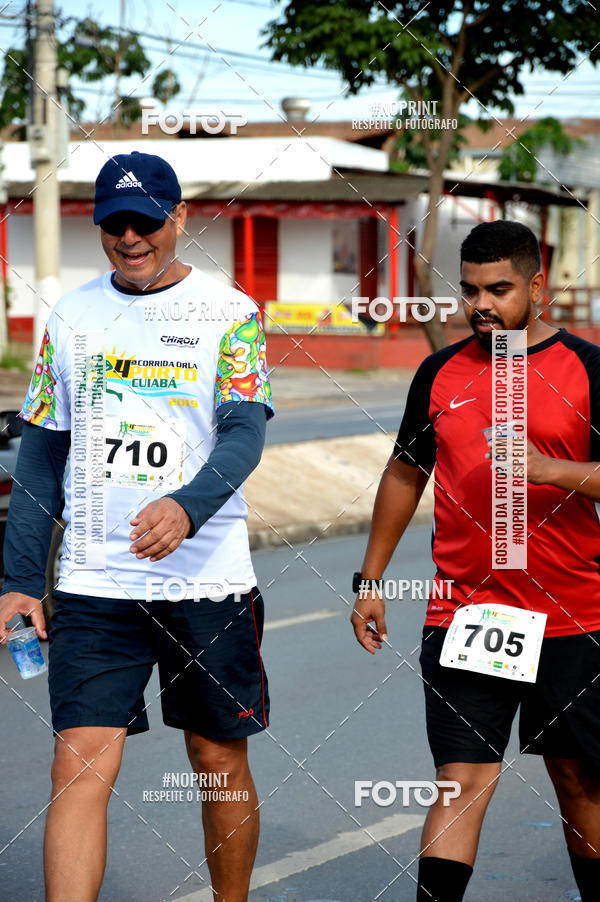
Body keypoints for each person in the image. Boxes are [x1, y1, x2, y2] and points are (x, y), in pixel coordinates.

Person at [0, 150, 274, 902]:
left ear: (178, 218)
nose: (129, 238)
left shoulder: (231, 313)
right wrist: (21, 580)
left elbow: (245, 433)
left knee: (217, 760)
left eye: (145, 222)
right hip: (95, 581)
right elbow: (40, 457)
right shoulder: (74, 316)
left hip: (207, 581)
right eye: (114, 225)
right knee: (77, 762)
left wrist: (188, 505)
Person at [350, 220, 600, 902]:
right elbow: (406, 472)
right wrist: (370, 578)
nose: (482, 304)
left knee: (579, 781)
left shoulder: (586, 368)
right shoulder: (442, 372)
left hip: (571, 619)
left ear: (537, 286)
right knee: (461, 782)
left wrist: (554, 468)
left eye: (500, 289)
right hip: (469, 613)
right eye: (470, 291)